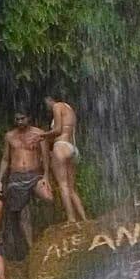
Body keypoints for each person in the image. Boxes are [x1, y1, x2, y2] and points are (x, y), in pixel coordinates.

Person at [0, 110, 53, 259]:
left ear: (28, 118)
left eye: (22, 118)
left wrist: (46, 176)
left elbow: (46, 157)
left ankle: (49, 231)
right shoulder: (9, 136)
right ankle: (31, 247)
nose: (20, 122)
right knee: (23, 213)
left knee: (48, 197)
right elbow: (5, 159)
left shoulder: (38, 134)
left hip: (34, 174)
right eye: (17, 119)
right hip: (16, 177)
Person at [43, 97, 86, 227]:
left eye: (46, 103)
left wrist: (42, 136)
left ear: (51, 100)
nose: (46, 107)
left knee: (63, 185)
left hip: (61, 146)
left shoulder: (57, 106)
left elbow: (58, 130)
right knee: (71, 188)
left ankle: (71, 219)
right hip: (72, 148)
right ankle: (84, 219)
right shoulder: (69, 109)